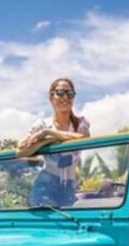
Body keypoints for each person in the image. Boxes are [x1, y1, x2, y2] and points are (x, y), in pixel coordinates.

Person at [19, 78, 90, 207]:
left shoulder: (80, 122)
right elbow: (20, 150)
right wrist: (47, 141)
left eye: (70, 93)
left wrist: (49, 134)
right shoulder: (42, 125)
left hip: (69, 185)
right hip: (46, 183)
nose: (66, 97)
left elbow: (83, 139)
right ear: (51, 97)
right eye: (61, 93)